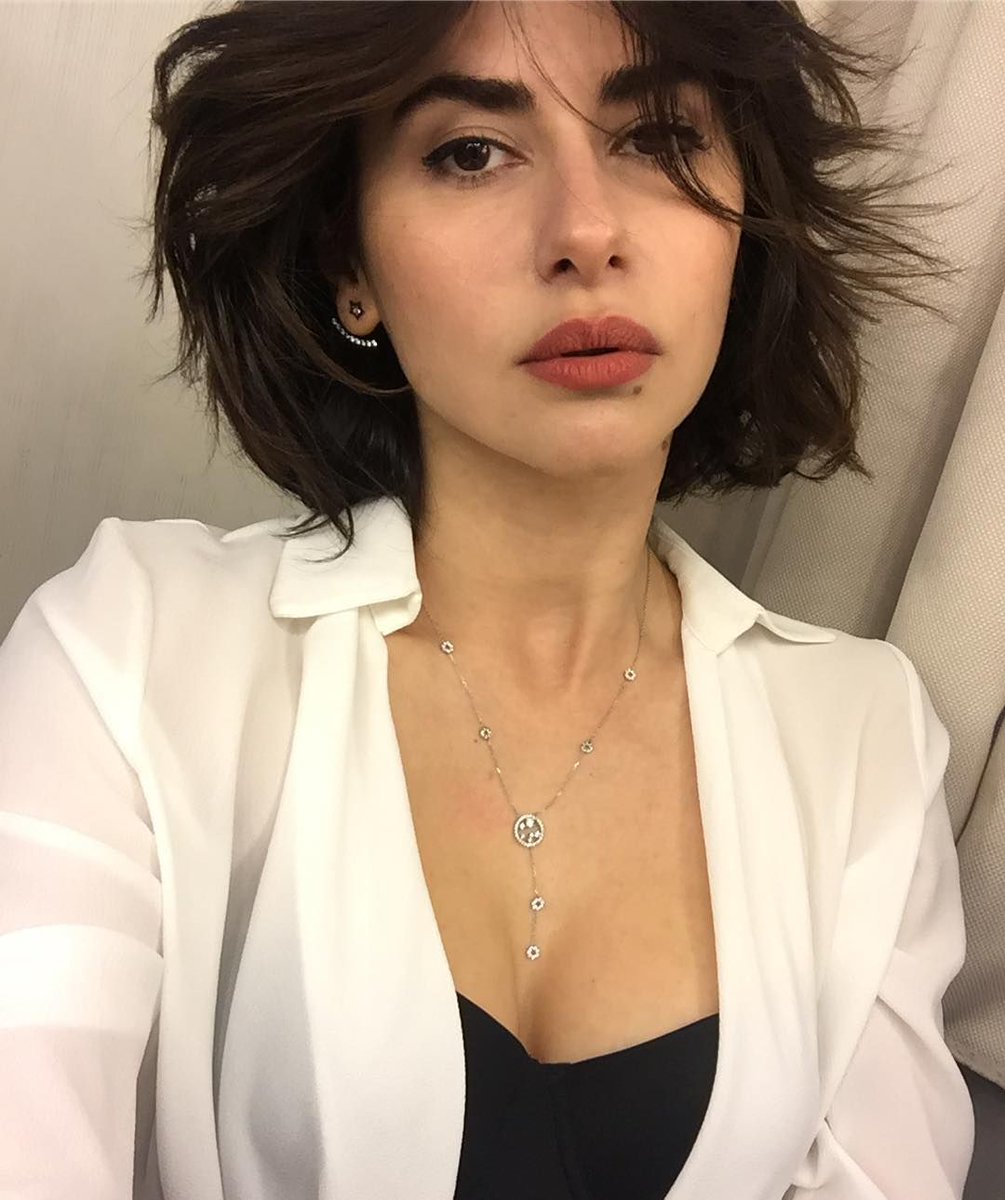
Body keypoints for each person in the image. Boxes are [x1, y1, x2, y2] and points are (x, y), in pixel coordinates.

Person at [0, 2, 973, 1198]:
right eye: (471, 152)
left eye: (660, 138)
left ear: (744, 222)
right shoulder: (131, 654)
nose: (586, 232)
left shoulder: (866, 740)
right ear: (350, 266)